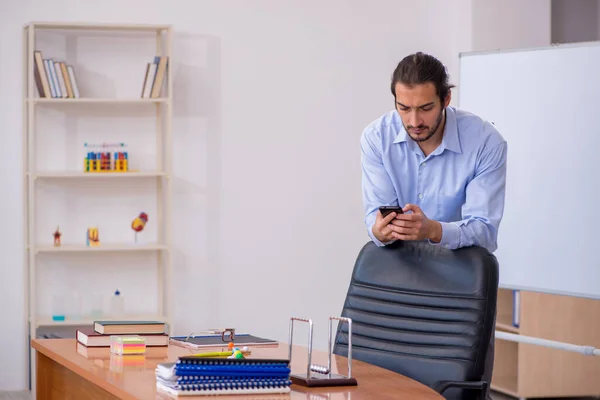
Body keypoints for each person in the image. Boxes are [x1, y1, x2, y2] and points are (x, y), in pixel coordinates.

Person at [360, 52, 507, 399]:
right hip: (396, 283)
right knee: (382, 387)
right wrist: (377, 230)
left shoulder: (486, 143)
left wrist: (434, 230)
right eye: (404, 108)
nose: (413, 120)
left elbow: (485, 230)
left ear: (446, 99)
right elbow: (374, 214)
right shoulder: (376, 138)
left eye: (425, 108)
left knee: (457, 389)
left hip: (462, 291)